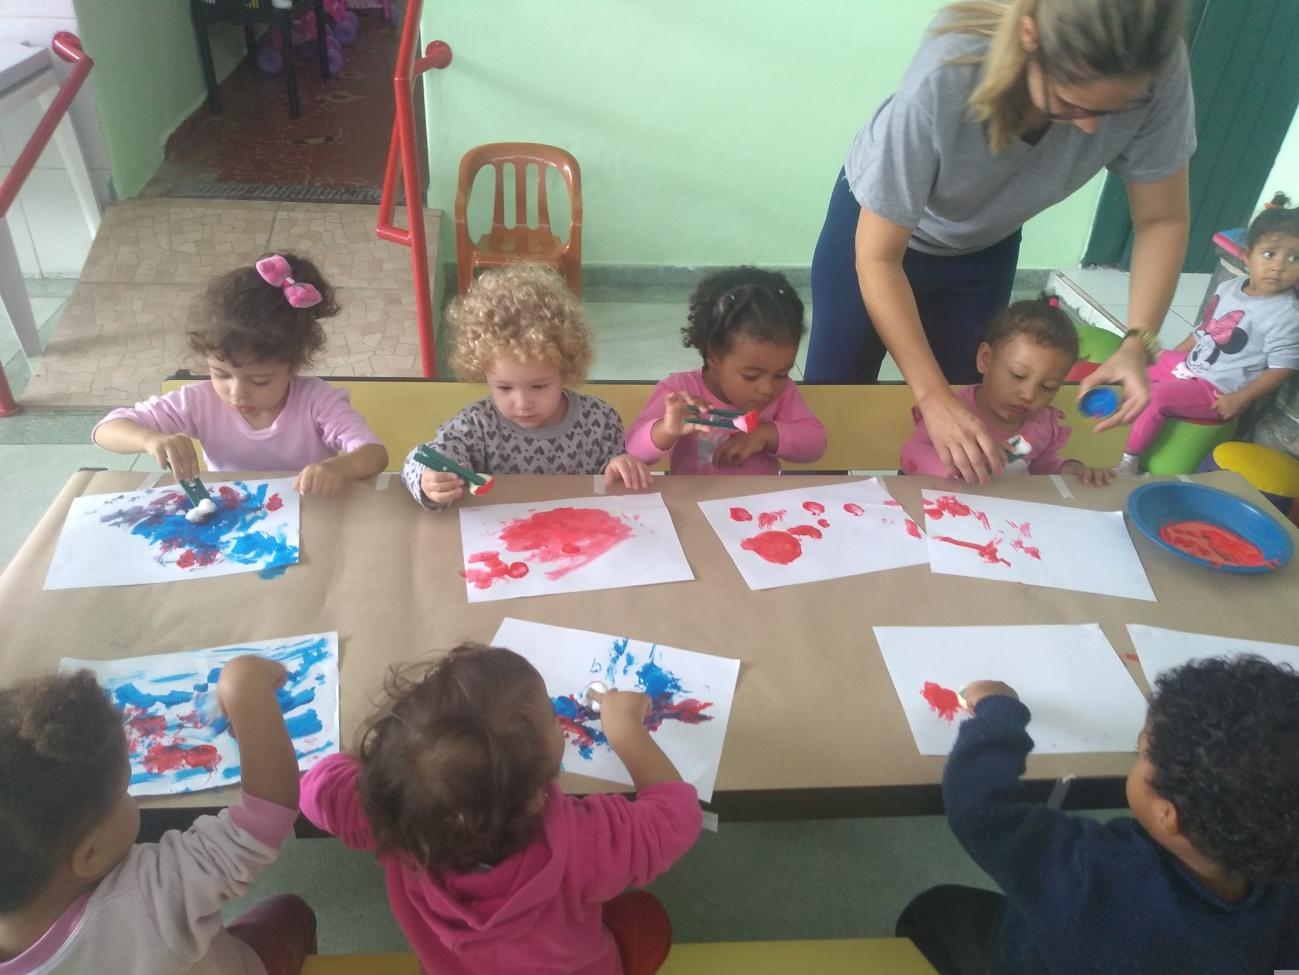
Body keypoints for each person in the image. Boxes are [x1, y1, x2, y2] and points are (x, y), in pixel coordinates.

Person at [807, 0, 1196, 483]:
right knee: (828, 415)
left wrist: (1138, 342)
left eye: (1114, 110)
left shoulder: (1155, 66)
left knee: (972, 434)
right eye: (1071, 102)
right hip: (875, 239)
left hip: (983, 246)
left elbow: (1162, 219)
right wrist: (932, 397)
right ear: (1030, 38)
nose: (1091, 128)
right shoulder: (946, 75)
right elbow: (878, 258)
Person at [299, 643, 702, 975]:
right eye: (551, 718)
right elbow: (676, 816)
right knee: (648, 919)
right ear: (534, 796)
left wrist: (384, 768)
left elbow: (316, 790)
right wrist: (626, 729)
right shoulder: (581, 842)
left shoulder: (388, 816)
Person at [896, 655, 1299, 974]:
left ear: (1168, 814)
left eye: (1142, 752)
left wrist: (998, 712)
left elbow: (979, 808)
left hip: (1032, 960)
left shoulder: (1088, 873)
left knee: (933, 910)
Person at [0, 657, 316, 974]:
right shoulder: (147, 899)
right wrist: (244, 685)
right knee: (291, 912)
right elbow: (263, 821)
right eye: (124, 791)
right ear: (91, 853)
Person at [93, 253, 388, 494]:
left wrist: (336, 469)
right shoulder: (198, 402)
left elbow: (374, 454)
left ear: (294, 366)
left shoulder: (317, 402)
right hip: (232, 513)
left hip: (307, 512)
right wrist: (149, 439)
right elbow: (107, 429)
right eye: (221, 374)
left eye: (260, 381)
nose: (237, 393)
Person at [401, 265, 650, 510]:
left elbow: (612, 480)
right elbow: (424, 458)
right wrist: (428, 481)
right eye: (504, 388)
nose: (522, 403)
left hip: (578, 530)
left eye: (539, 386)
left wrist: (620, 467)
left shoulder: (599, 421)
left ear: (565, 371)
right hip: (500, 530)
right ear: (483, 374)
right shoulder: (477, 425)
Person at [1113, 207, 1299, 474]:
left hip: (1219, 389)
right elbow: (1205, 329)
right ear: (1247, 255)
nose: (1279, 266)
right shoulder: (1229, 288)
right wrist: (1170, 359)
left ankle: (1127, 459)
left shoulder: (1286, 313)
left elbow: (1283, 367)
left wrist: (1240, 397)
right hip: (1193, 366)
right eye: (1269, 254)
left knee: (1156, 396)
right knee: (1137, 368)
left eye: (1294, 258)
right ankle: (1112, 418)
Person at [626, 267, 827, 474]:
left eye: (781, 374)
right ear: (713, 356)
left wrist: (764, 433)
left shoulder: (783, 393)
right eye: (751, 376)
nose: (768, 388)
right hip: (695, 494)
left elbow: (816, 444)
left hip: (762, 495)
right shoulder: (679, 391)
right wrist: (666, 430)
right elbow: (632, 451)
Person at [901, 296, 1111, 483]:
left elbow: (1043, 467)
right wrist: (960, 464)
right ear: (986, 359)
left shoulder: (1042, 424)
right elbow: (910, 456)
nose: (1029, 395)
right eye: (1018, 376)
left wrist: (1070, 471)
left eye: (1047, 387)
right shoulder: (954, 413)